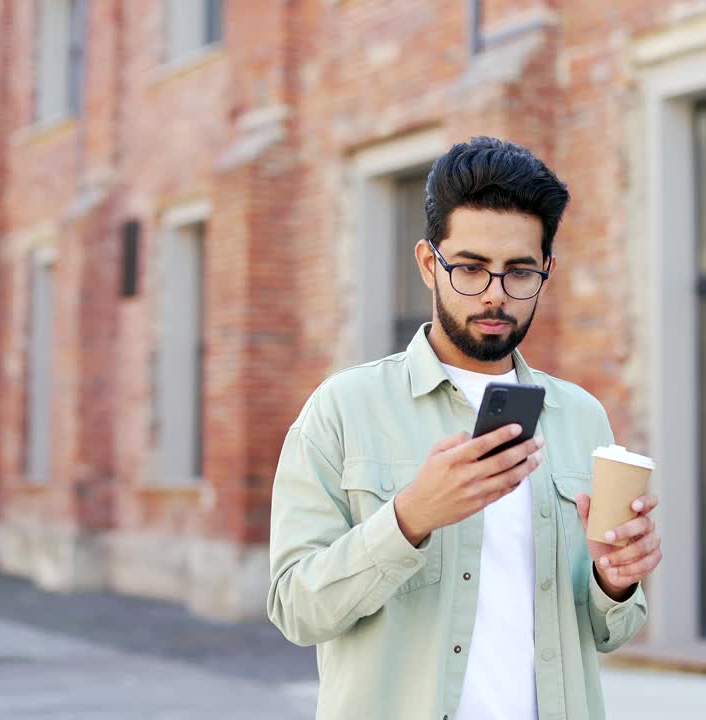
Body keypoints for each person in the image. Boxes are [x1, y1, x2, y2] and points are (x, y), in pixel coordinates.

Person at [267, 137, 663, 719]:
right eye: (471, 269)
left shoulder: (582, 418)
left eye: (519, 272)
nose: (496, 296)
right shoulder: (342, 410)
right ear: (430, 263)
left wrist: (616, 581)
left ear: (546, 270)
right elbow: (295, 609)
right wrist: (410, 519)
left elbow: (607, 632)